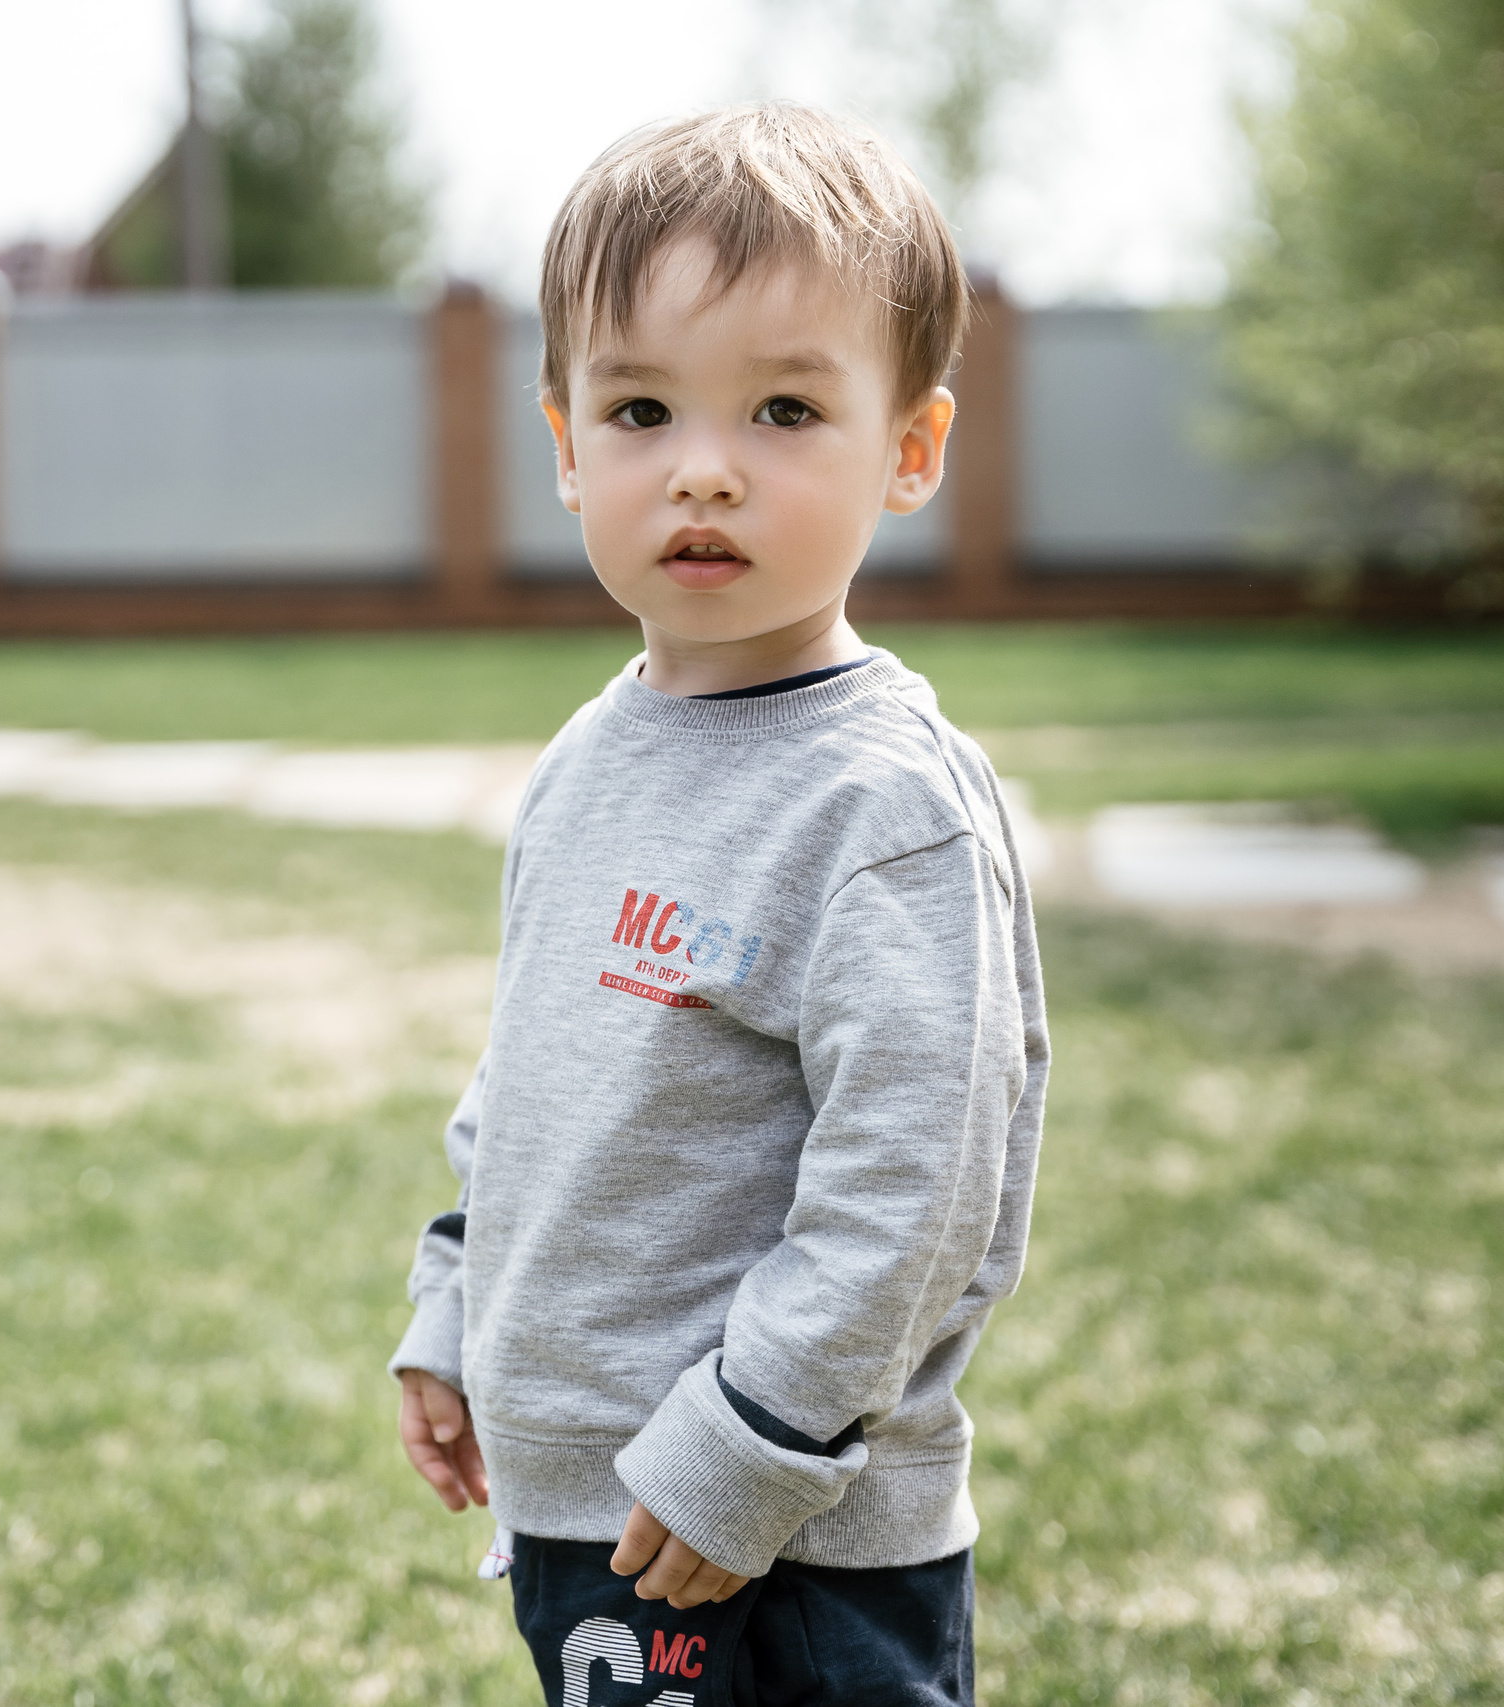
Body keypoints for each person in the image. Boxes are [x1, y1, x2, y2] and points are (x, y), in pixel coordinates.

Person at [387, 103, 1049, 1706]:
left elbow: (922, 1188)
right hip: (590, 1499)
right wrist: (457, 1296)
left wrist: (753, 1440)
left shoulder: (878, 802)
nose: (701, 467)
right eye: (639, 409)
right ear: (562, 444)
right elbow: (540, 1070)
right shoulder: (587, 760)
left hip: (778, 1529)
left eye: (780, 409)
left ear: (909, 450)